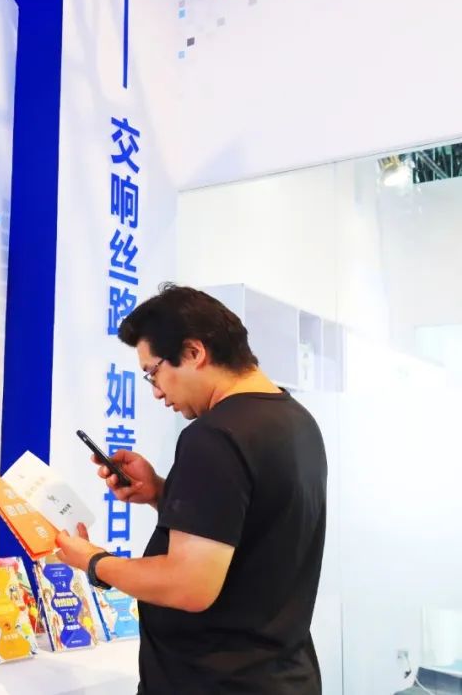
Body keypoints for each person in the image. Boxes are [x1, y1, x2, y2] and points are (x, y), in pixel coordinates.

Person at [55, 284, 327, 694]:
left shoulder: (214, 435)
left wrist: (94, 561)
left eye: (154, 372)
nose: (156, 391)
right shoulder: (297, 421)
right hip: (281, 676)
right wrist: (160, 493)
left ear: (194, 352)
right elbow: (253, 526)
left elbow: (189, 584)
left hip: (214, 681)